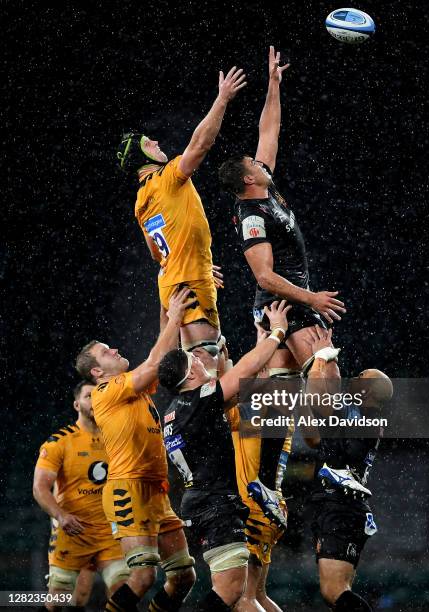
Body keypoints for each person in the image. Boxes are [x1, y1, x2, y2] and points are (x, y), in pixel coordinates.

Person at [219, 46, 346, 525]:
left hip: (285, 304)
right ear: (247, 178)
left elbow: (267, 130)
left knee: (275, 399)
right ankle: (329, 458)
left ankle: (261, 485)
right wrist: (311, 298)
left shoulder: (264, 184)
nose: (259, 159)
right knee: (323, 365)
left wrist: (273, 84)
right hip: (285, 301)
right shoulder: (251, 215)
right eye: (253, 162)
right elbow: (264, 276)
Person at [158, 301, 292, 612]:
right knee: (233, 591)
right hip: (215, 503)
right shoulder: (200, 401)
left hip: (204, 501)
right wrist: (277, 333)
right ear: (191, 370)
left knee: (233, 591)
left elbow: (243, 386)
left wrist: (261, 343)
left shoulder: (177, 411)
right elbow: (243, 374)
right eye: (196, 357)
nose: (203, 359)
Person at [75, 288, 197, 612]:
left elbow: (164, 352)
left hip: (157, 491)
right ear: (97, 372)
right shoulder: (105, 391)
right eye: (105, 351)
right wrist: (173, 315)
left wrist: (164, 297)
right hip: (127, 489)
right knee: (143, 577)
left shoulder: (132, 386)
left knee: (184, 577)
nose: (114, 349)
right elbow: (156, 361)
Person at [116, 64, 246, 360]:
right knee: (207, 368)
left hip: (174, 280)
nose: (157, 143)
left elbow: (155, 253)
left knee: (212, 364)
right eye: (150, 143)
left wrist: (183, 257)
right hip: (188, 282)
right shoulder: (167, 178)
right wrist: (222, 99)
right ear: (141, 156)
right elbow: (201, 144)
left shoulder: (141, 201)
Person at [302, 325, 393, 612]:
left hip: (341, 506)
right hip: (340, 506)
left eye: (361, 378)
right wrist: (326, 362)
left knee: (334, 591)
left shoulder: (361, 417)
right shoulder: (361, 414)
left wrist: (322, 356)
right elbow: (314, 436)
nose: (355, 378)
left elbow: (320, 397)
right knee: (337, 593)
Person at [33, 381, 129, 611]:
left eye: (98, 396)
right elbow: (40, 488)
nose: (95, 400)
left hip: (110, 531)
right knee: (67, 599)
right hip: (73, 530)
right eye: (89, 396)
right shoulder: (60, 442)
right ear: (77, 404)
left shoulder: (116, 439)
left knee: (123, 589)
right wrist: (61, 516)